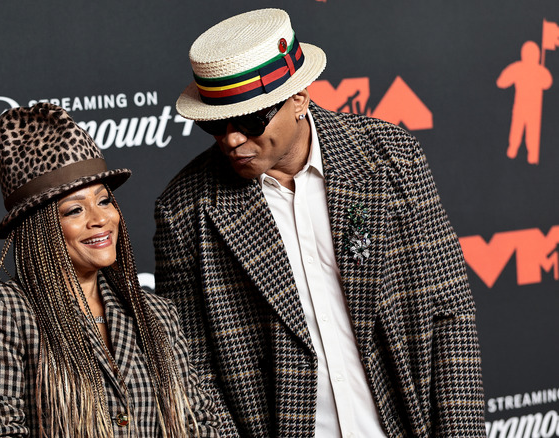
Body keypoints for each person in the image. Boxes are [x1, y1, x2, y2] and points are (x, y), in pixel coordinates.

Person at [154, 8, 485, 438]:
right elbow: (192, 372)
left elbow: (449, 311)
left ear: (299, 98)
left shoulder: (390, 157)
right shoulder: (185, 210)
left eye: (250, 120)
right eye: (215, 124)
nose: (232, 140)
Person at [0, 103, 219, 437]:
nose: (100, 218)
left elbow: (200, 422)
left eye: (103, 200)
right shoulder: (4, 314)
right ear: (41, 229)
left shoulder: (156, 313)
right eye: (74, 210)